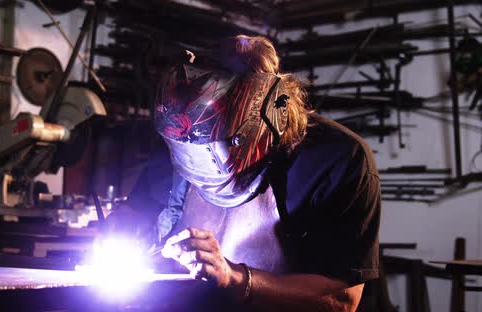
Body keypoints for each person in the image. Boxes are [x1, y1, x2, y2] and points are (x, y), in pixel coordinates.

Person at [119, 34, 381, 312]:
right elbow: (136, 212)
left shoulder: (334, 161)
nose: (200, 161)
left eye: (215, 145)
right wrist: (121, 230)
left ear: (264, 119)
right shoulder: (184, 137)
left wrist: (234, 278)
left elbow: (342, 300)